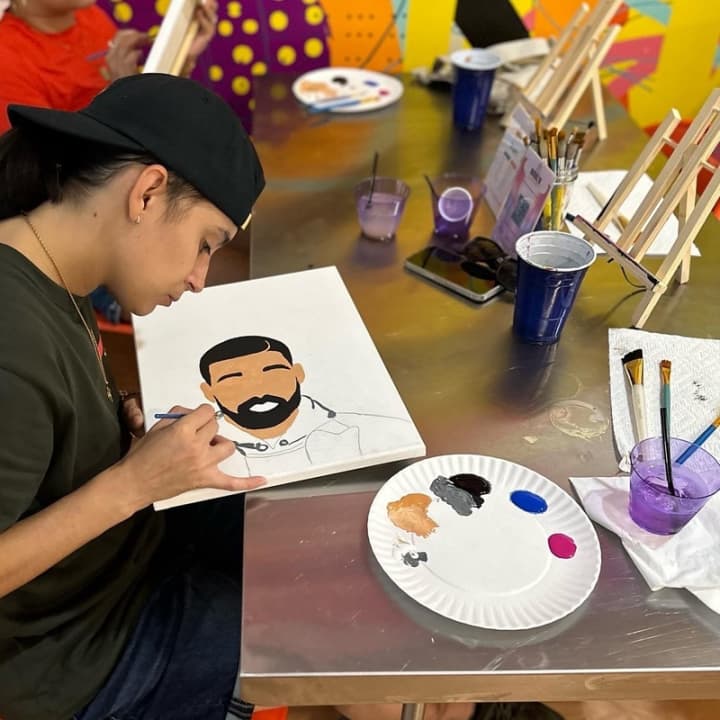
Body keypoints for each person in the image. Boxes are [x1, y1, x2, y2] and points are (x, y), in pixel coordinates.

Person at [0, 0, 219, 323]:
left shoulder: (92, 19)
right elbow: (40, 176)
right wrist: (123, 91)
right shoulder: (8, 58)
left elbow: (142, 132)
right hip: (78, 233)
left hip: (136, 203)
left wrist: (180, 53)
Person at [199, 335, 416, 476]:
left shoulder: (381, 430)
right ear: (209, 392)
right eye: (233, 379)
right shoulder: (193, 451)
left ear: (298, 373)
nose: (258, 390)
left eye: (272, 371)